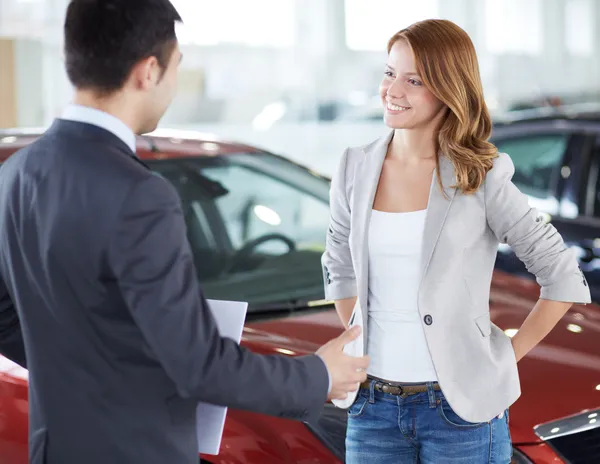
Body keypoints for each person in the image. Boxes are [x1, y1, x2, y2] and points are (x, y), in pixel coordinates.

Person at [0, 1, 369, 463]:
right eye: (176, 66)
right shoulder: (138, 195)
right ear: (147, 71)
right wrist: (320, 375)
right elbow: (199, 366)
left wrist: (85, 371)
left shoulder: (16, 174)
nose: (174, 84)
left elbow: (4, 316)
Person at [322, 19, 591, 463]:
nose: (393, 89)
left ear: (448, 89)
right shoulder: (354, 166)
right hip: (372, 410)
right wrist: (361, 332)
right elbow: (338, 264)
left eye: (414, 80)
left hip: (459, 416)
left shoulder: (480, 175)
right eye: (390, 73)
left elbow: (561, 275)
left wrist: (504, 357)